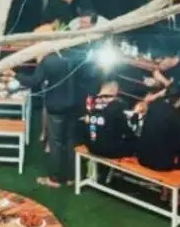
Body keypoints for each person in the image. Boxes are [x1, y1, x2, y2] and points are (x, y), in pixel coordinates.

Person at [8, 48, 87, 188]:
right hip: (76, 105)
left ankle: (55, 179)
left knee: (56, 142)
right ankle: (71, 177)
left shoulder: (49, 60)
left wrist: (14, 74)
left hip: (57, 105)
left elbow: (33, 81)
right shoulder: (78, 56)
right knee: (71, 141)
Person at [136, 90, 180, 173]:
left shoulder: (153, 106)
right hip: (162, 164)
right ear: (179, 100)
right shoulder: (179, 117)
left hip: (142, 158)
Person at [82, 80, 138, 159]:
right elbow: (127, 130)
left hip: (91, 147)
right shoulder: (119, 105)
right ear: (114, 91)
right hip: (110, 151)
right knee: (136, 143)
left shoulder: (92, 103)